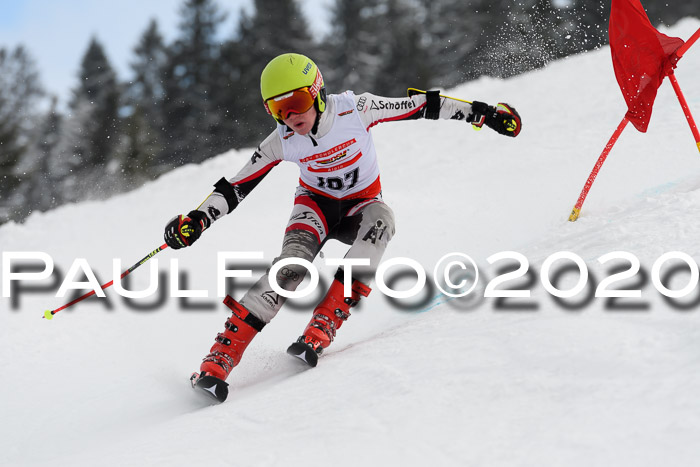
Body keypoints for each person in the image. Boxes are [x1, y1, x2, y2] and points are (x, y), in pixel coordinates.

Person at [164, 52, 521, 402]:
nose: (290, 117)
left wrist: (483, 114)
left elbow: (423, 106)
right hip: (315, 208)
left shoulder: (357, 109)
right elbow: (236, 186)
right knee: (291, 266)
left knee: (383, 221)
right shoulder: (282, 140)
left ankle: (323, 324)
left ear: (317, 91)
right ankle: (218, 360)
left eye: (298, 102)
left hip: (361, 207)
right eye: (277, 109)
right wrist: (197, 220)